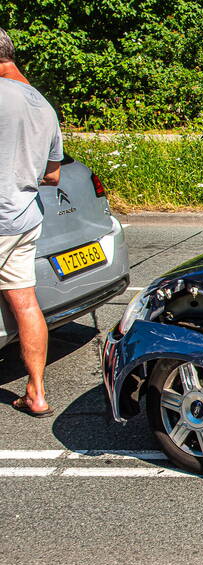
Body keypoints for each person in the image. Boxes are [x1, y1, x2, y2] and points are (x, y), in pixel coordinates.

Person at [0, 28, 63, 417]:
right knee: (24, 302)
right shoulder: (42, 104)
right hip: (24, 217)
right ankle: (36, 393)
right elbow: (52, 175)